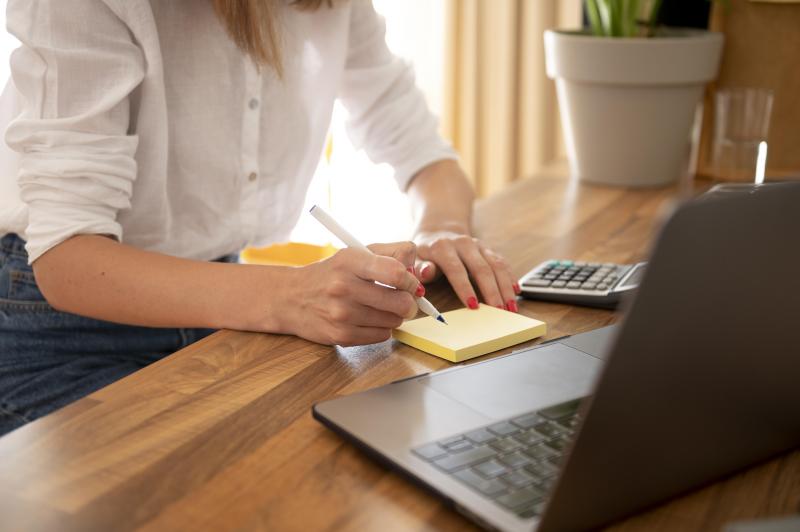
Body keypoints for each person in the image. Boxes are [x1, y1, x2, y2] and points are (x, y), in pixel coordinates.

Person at [0, 0, 520, 436]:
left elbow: (419, 145)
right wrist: (293, 296)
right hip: (53, 333)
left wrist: (442, 231)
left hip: (218, 308)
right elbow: (67, 260)